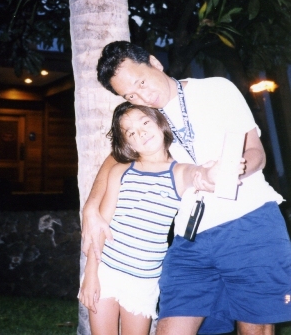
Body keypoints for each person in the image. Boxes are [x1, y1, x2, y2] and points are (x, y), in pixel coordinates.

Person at [81, 41, 291, 335]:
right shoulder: (146, 117)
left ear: (155, 62)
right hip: (189, 238)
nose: (143, 96)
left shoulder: (216, 90)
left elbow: (256, 152)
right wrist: (91, 207)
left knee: (255, 327)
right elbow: (116, 156)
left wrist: (232, 171)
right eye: (130, 95)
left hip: (247, 222)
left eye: (141, 82)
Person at [79, 102, 232, 335]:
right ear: (127, 142)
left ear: (161, 123)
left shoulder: (178, 171)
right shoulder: (120, 171)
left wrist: (210, 173)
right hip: (106, 270)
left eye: (145, 123)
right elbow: (101, 226)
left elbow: (195, 174)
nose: (140, 133)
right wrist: (91, 274)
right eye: (130, 132)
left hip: (144, 280)